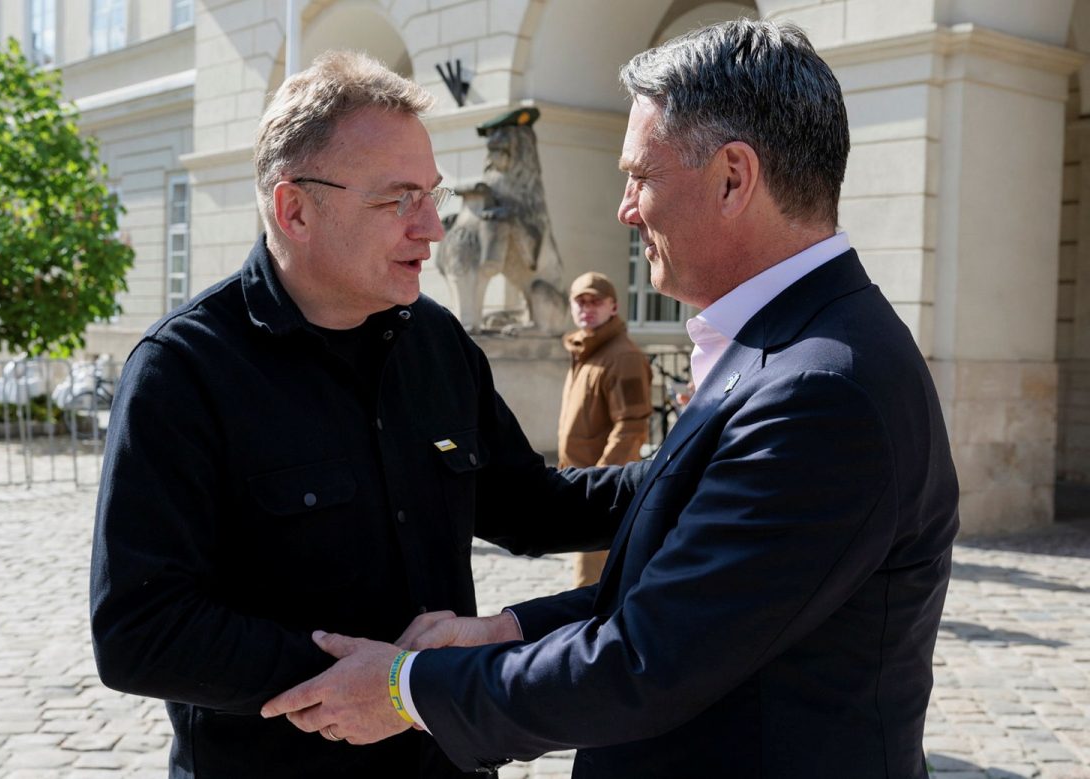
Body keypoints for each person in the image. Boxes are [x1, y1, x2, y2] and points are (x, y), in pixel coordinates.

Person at [260, 20, 961, 779]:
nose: (627, 208)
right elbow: (664, 595)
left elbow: (645, 660)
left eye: (640, 175)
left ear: (733, 178)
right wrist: (505, 627)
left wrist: (404, 689)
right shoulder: (793, 347)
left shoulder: (819, 389)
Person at [89, 50, 624, 778]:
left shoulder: (435, 340)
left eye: (431, 194)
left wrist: (695, 468)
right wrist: (370, 679)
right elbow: (141, 631)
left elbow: (531, 506)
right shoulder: (184, 371)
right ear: (296, 208)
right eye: (398, 199)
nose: (434, 228)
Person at [558, 271, 651, 586]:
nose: (587, 308)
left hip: (599, 490)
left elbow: (632, 424)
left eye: (595, 301)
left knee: (592, 584)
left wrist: (601, 481)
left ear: (613, 307)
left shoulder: (622, 356)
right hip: (581, 483)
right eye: (580, 301)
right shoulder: (586, 349)